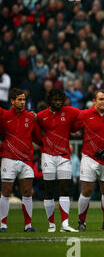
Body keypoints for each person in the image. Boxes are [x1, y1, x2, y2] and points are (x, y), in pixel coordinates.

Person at [73, 90, 104, 231]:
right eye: (101, 99)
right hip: (89, 157)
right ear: (94, 101)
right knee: (87, 189)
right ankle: (81, 222)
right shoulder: (84, 115)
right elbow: (72, 127)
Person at [36, 89, 80, 232]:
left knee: (64, 189)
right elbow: (34, 130)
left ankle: (65, 224)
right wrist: (42, 143)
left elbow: (85, 114)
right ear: (50, 100)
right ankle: (51, 224)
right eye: (55, 99)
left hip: (64, 155)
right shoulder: (41, 116)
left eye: (60, 99)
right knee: (48, 190)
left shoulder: (70, 111)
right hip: (47, 155)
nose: (58, 102)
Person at [0, 88, 42, 232]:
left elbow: (37, 137)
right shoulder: (4, 116)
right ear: (12, 101)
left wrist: (47, 146)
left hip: (26, 159)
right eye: (19, 99)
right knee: (6, 191)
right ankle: (3, 225)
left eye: (24, 99)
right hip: (9, 158)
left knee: (27, 191)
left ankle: (28, 225)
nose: (23, 102)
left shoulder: (31, 118)